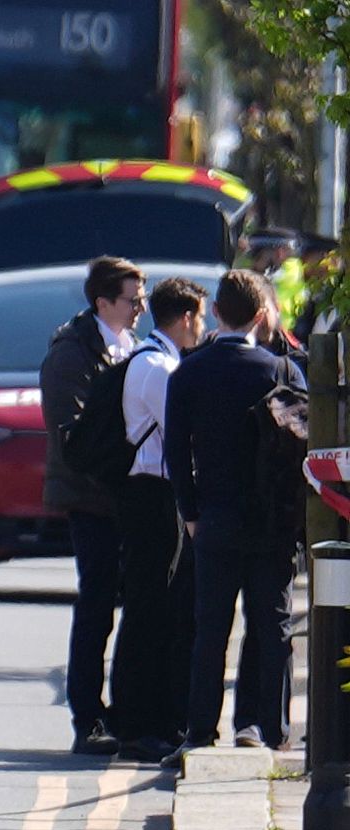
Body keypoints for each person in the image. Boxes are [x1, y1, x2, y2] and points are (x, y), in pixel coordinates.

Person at [161, 270, 303, 768]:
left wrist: (191, 512)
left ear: (217, 313)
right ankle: (269, 728)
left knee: (210, 629)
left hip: (215, 517)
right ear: (261, 316)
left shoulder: (188, 374)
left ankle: (200, 731)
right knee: (272, 626)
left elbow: (175, 451)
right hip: (272, 520)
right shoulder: (280, 373)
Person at [39, 255, 144, 756]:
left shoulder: (128, 345)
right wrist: (121, 469)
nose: (140, 307)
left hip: (125, 496)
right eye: (132, 299)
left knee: (134, 604)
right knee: (97, 603)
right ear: (104, 302)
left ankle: (124, 710)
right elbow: (72, 437)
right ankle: (87, 715)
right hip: (92, 497)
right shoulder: (72, 352)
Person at [110, 277, 207, 763]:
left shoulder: (159, 360)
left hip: (157, 492)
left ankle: (148, 719)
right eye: (200, 318)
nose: (203, 327)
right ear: (185, 317)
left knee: (158, 607)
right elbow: (183, 433)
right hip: (149, 494)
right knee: (149, 608)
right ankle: (136, 723)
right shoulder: (158, 366)